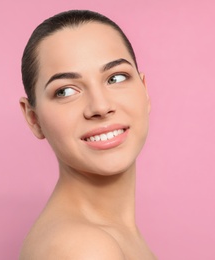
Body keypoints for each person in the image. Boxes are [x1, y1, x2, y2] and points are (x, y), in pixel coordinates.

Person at [19, 10, 155, 259]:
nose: (100, 107)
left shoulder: (108, 234)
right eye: (65, 91)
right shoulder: (84, 248)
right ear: (33, 118)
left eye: (116, 77)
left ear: (144, 90)